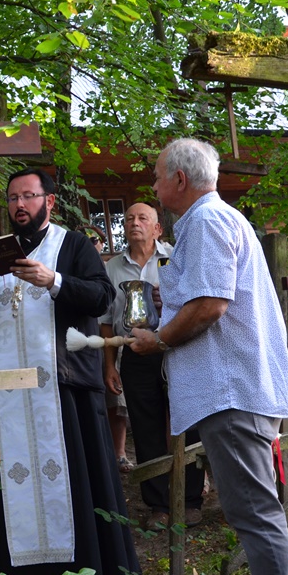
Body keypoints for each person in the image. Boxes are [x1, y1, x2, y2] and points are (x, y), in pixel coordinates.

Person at [130, 139, 288, 575]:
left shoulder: (205, 220)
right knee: (252, 511)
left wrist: (158, 338)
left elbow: (210, 305)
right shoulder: (212, 220)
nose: (154, 186)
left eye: (157, 176)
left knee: (256, 513)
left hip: (233, 391)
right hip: (234, 389)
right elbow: (204, 297)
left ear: (180, 179)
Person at [0, 168, 140, 575]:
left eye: (28, 196)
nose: (19, 205)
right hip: (15, 394)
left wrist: (53, 281)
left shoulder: (72, 245)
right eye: (13, 198)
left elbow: (102, 297)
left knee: (79, 482)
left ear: (49, 201)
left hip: (65, 386)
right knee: (21, 483)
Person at [102, 203, 204, 524]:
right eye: (129, 218)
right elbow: (105, 320)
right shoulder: (112, 267)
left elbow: (197, 301)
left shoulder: (174, 258)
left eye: (142, 218)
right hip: (134, 351)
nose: (135, 223)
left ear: (158, 228)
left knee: (188, 422)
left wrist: (168, 301)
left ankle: (191, 500)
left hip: (176, 347)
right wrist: (109, 365)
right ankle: (158, 505)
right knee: (145, 427)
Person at [87, 225, 131, 471]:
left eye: (94, 239)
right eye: (86, 240)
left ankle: (120, 452)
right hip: (84, 341)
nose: (91, 244)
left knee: (117, 400)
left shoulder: (110, 267)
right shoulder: (75, 265)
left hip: (110, 340)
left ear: (102, 243)